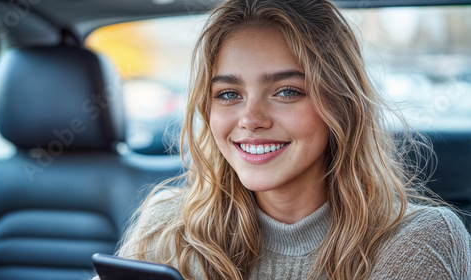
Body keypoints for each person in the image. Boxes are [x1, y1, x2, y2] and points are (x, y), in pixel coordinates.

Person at [97, 0, 471, 279]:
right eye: (228, 94)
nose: (250, 120)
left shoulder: (418, 241)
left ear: (341, 105)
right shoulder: (168, 228)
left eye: (286, 91)